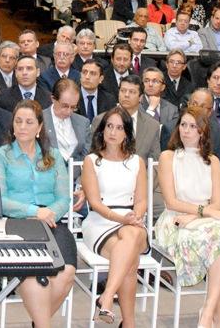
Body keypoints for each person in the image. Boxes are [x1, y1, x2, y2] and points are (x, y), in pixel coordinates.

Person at [0, 100, 77, 328]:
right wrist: (34, 211)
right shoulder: (1, 155)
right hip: (17, 224)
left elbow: (64, 199)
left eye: (29, 122)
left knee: (66, 273)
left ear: (39, 128)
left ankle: (39, 322)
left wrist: (48, 214)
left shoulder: (54, 156)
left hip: (52, 223)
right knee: (36, 279)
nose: (22, 127)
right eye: (18, 121)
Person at [155, 111, 220, 328]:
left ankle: (208, 313)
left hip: (200, 220)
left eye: (193, 126)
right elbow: (171, 202)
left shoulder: (212, 161)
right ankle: (215, 316)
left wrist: (196, 215)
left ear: (203, 132)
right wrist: (204, 212)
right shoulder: (168, 157)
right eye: (183, 125)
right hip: (174, 220)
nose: (186, 130)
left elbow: (218, 204)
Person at [80, 107, 149, 326]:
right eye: (109, 126)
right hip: (101, 221)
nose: (113, 132)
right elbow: (95, 203)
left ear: (127, 133)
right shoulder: (92, 160)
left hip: (131, 218)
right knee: (130, 258)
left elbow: (141, 201)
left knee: (129, 238)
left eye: (119, 127)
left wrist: (135, 217)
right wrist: (124, 221)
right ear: (102, 130)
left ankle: (107, 296)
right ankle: (128, 322)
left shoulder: (137, 161)